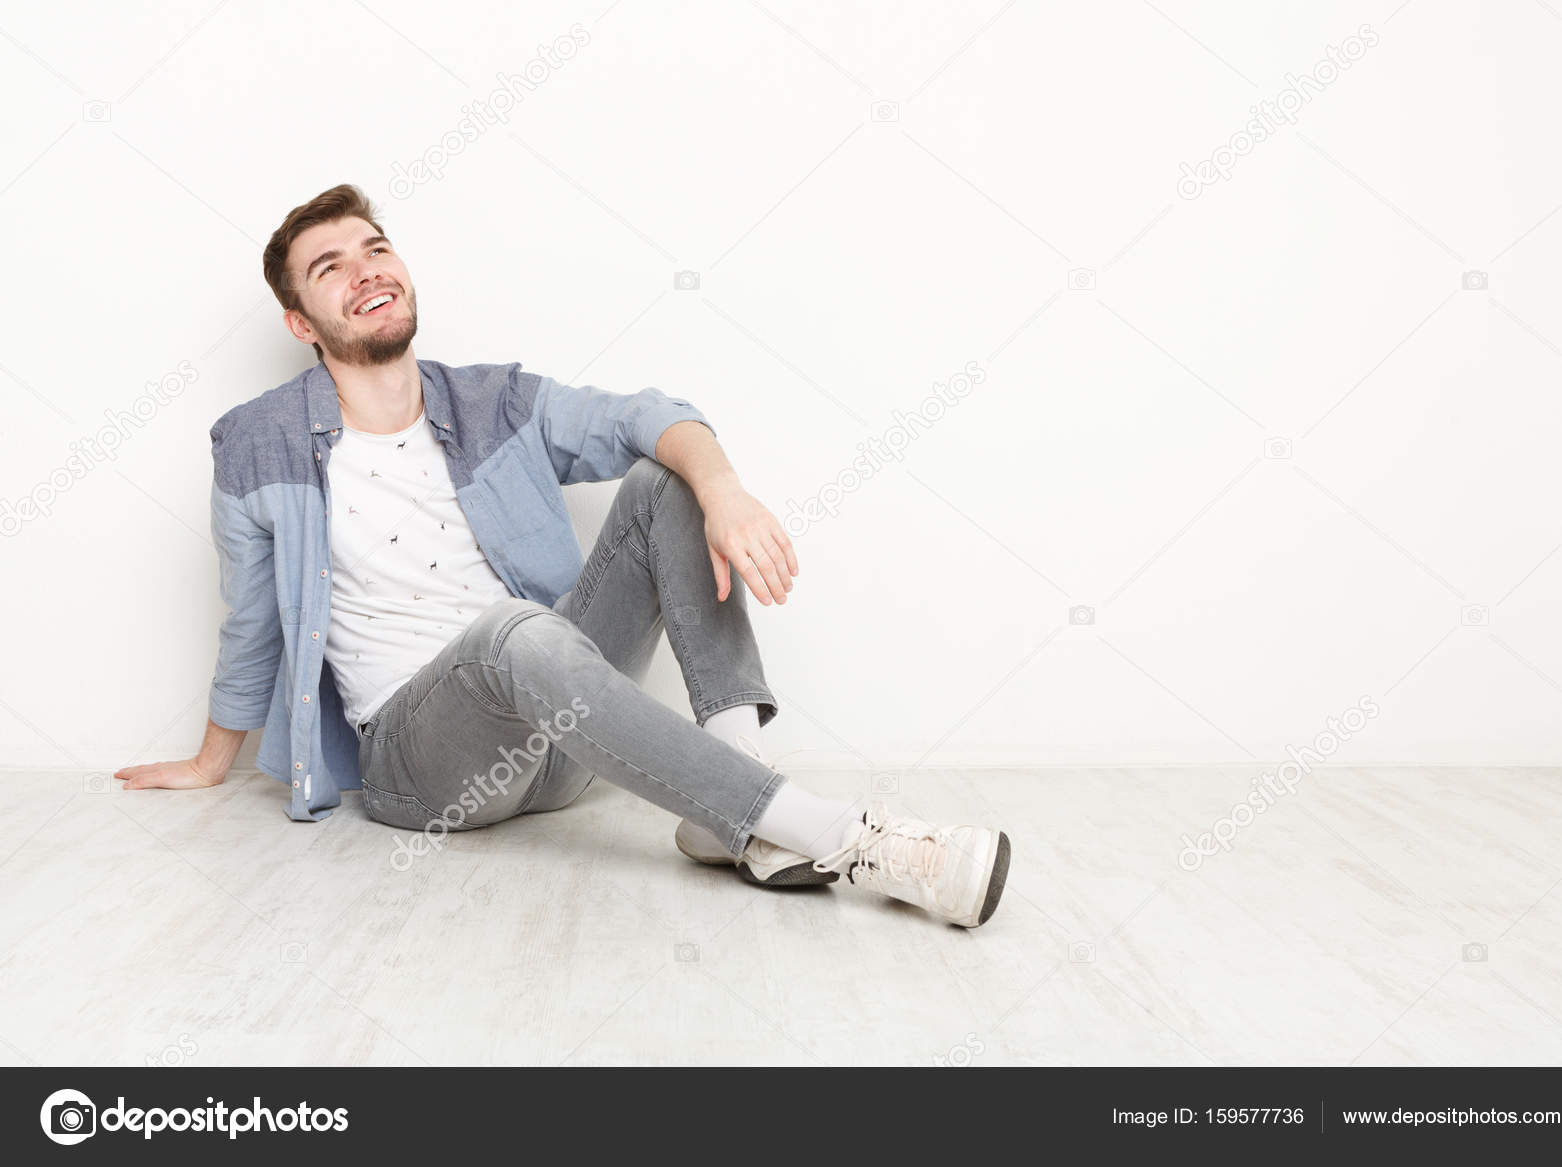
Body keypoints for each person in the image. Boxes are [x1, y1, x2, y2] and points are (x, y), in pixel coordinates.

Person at [114, 184, 1010, 928]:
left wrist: (724, 489)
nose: (365, 271)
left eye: (374, 248)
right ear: (301, 322)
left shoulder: (494, 403)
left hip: (558, 734)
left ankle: (725, 814)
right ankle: (843, 837)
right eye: (330, 267)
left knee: (667, 481)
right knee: (515, 631)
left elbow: (646, 416)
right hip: (424, 766)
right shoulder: (258, 446)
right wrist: (208, 760)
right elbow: (251, 624)